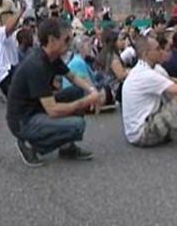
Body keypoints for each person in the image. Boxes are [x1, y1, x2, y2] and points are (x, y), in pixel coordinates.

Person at [6, 18, 104, 167]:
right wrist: (87, 101)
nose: (70, 42)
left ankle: (66, 147)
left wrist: (91, 90)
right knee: (78, 125)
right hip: (23, 121)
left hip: (36, 108)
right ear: (52, 40)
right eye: (66, 39)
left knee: (77, 91)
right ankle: (29, 143)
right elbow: (52, 111)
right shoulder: (36, 65)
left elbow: (73, 77)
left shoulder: (51, 57)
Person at [0, 0, 26, 97]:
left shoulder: (12, 35)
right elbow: (9, 27)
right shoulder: (0, 32)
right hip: (4, 73)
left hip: (11, 71)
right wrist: (21, 11)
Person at [96, 29, 129, 104]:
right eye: (120, 40)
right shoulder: (113, 57)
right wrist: (129, 72)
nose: (123, 42)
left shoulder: (107, 53)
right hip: (114, 88)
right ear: (114, 42)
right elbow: (120, 76)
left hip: (108, 85)